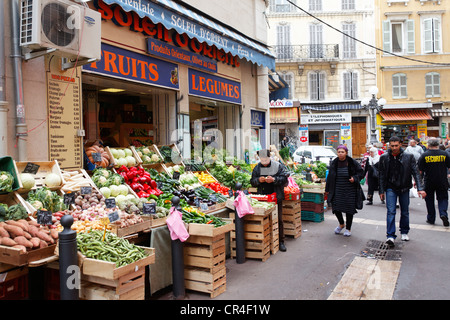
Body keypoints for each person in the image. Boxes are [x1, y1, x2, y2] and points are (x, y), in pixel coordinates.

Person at [378, 136, 426, 246]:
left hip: (404, 187)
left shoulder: (408, 157)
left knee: (404, 211)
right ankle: (390, 235)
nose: (394, 148)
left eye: (396, 145)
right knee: (391, 211)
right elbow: (381, 175)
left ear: (400, 144)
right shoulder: (384, 157)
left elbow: (416, 173)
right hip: (390, 187)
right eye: (392, 145)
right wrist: (381, 190)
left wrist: (420, 188)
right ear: (389, 145)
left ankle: (404, 231)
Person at [251, 149, 289, 251]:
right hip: (263, 198)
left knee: (279, 219)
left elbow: (285, 179)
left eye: (265, 158)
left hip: (276, 196)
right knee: (265, 220)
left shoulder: (277, 166)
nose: (263, 160)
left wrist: (274, 180)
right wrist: (258, 180)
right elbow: (252, 181)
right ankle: (267, 242)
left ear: (269, 157)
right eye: (261, 158)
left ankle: (281, 241)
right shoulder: (257, 168)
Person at [325, 145, 365, 237]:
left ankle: (348, 228)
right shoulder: (334, 163)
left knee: (349, 209)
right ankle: (341, 224)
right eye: (339, 152)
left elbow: (361, 172)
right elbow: (330, 177)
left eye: (342, 152)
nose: (340, 153)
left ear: (346, 153)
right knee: (336, 208)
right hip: (337, 188)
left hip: (350, 189)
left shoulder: (352, 162)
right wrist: (327, 190)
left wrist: (355, 178)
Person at [417, 137, 450, 227]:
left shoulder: (424, 155)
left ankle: (431, 218)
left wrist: (418, 182)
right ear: (438, 144)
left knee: (429, 200)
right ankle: (443, 214)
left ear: (428, 145)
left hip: (429, 181)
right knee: (443, 198)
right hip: (442, 180)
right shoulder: (444, 154)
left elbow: (420, 170)